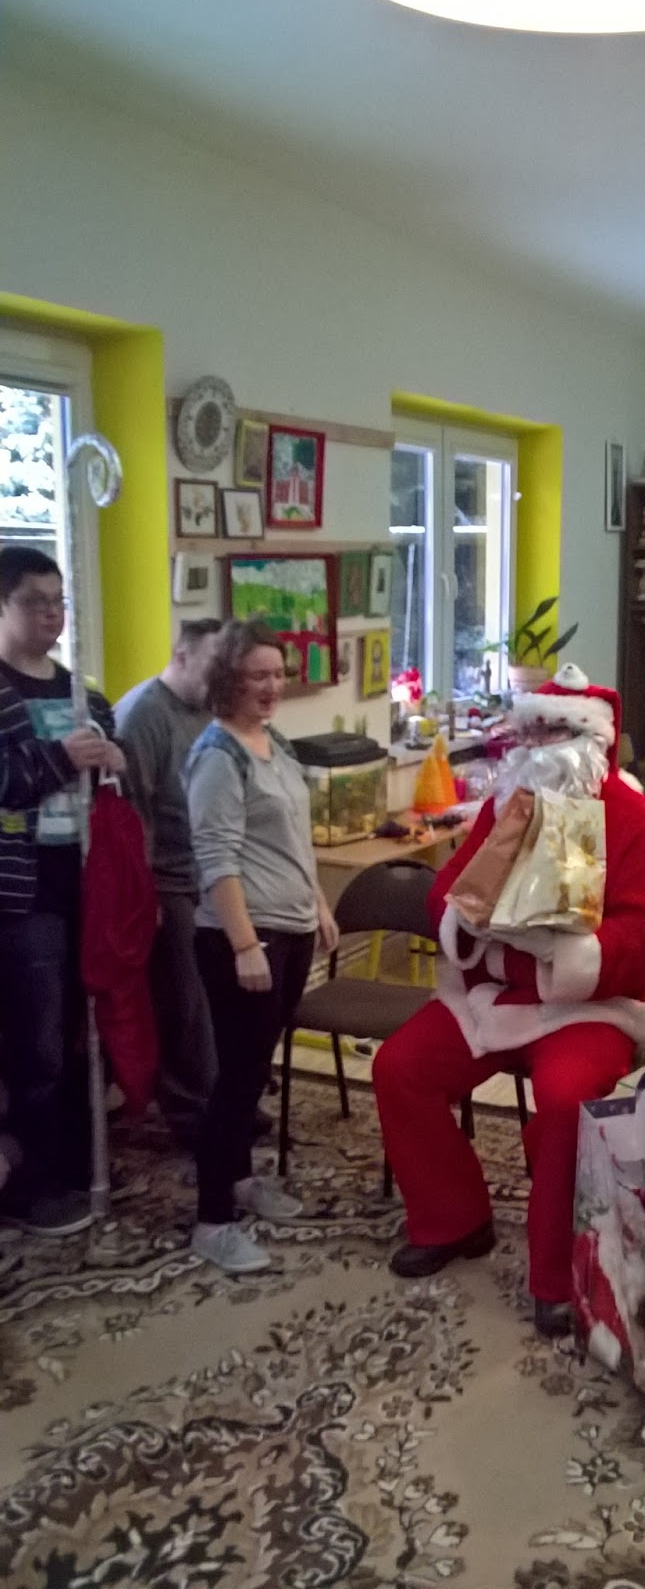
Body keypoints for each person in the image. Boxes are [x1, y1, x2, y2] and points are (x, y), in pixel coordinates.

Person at [373, 662, 645, 1338]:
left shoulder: (636, 820)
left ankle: (556, 1275)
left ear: (591, 741)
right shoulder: (503, 808)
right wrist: (469, 916)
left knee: (566, 1099)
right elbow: (447, 892)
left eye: (554, 733)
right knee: (399, 1067)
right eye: (530, 732)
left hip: (591, 1006)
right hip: (496, 995)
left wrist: (569, 949)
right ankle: (455, 1219)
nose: (537, 747)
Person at [183, 618, 340, 1274]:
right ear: (229, 679)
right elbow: (216, 858)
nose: (272, 686)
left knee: (255, 1072)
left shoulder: (273, 741)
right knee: (238, 1078)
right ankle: (213, 1219)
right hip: (244, 938)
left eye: (278, 674)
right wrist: (245, 944)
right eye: (258, 676)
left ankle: (243, 1181)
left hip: (291, 927)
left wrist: (320, 904)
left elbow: (293, 838)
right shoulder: (218, 756)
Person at [0, 545, 124, 1235]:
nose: (51, 615)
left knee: (85, 1029)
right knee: (37, 1041)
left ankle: (81, 1156)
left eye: (59, 602)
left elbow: (111, 777)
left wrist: (113, 761)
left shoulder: (84, 693)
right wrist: (58, 758)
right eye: (35, 602)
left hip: (87, 883)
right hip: (25, 895)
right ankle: (31, 1179)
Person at [115, 619, 222, 1148]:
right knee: (185, 1004)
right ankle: (191, 1117)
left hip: (209, 875)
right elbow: (133, 812)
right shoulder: (144, 715)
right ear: (181, 656)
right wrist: (145, 896)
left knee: (218, 998)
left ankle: (222, 1099)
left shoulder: (207, 710)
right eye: (213, 665)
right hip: (164, 880)